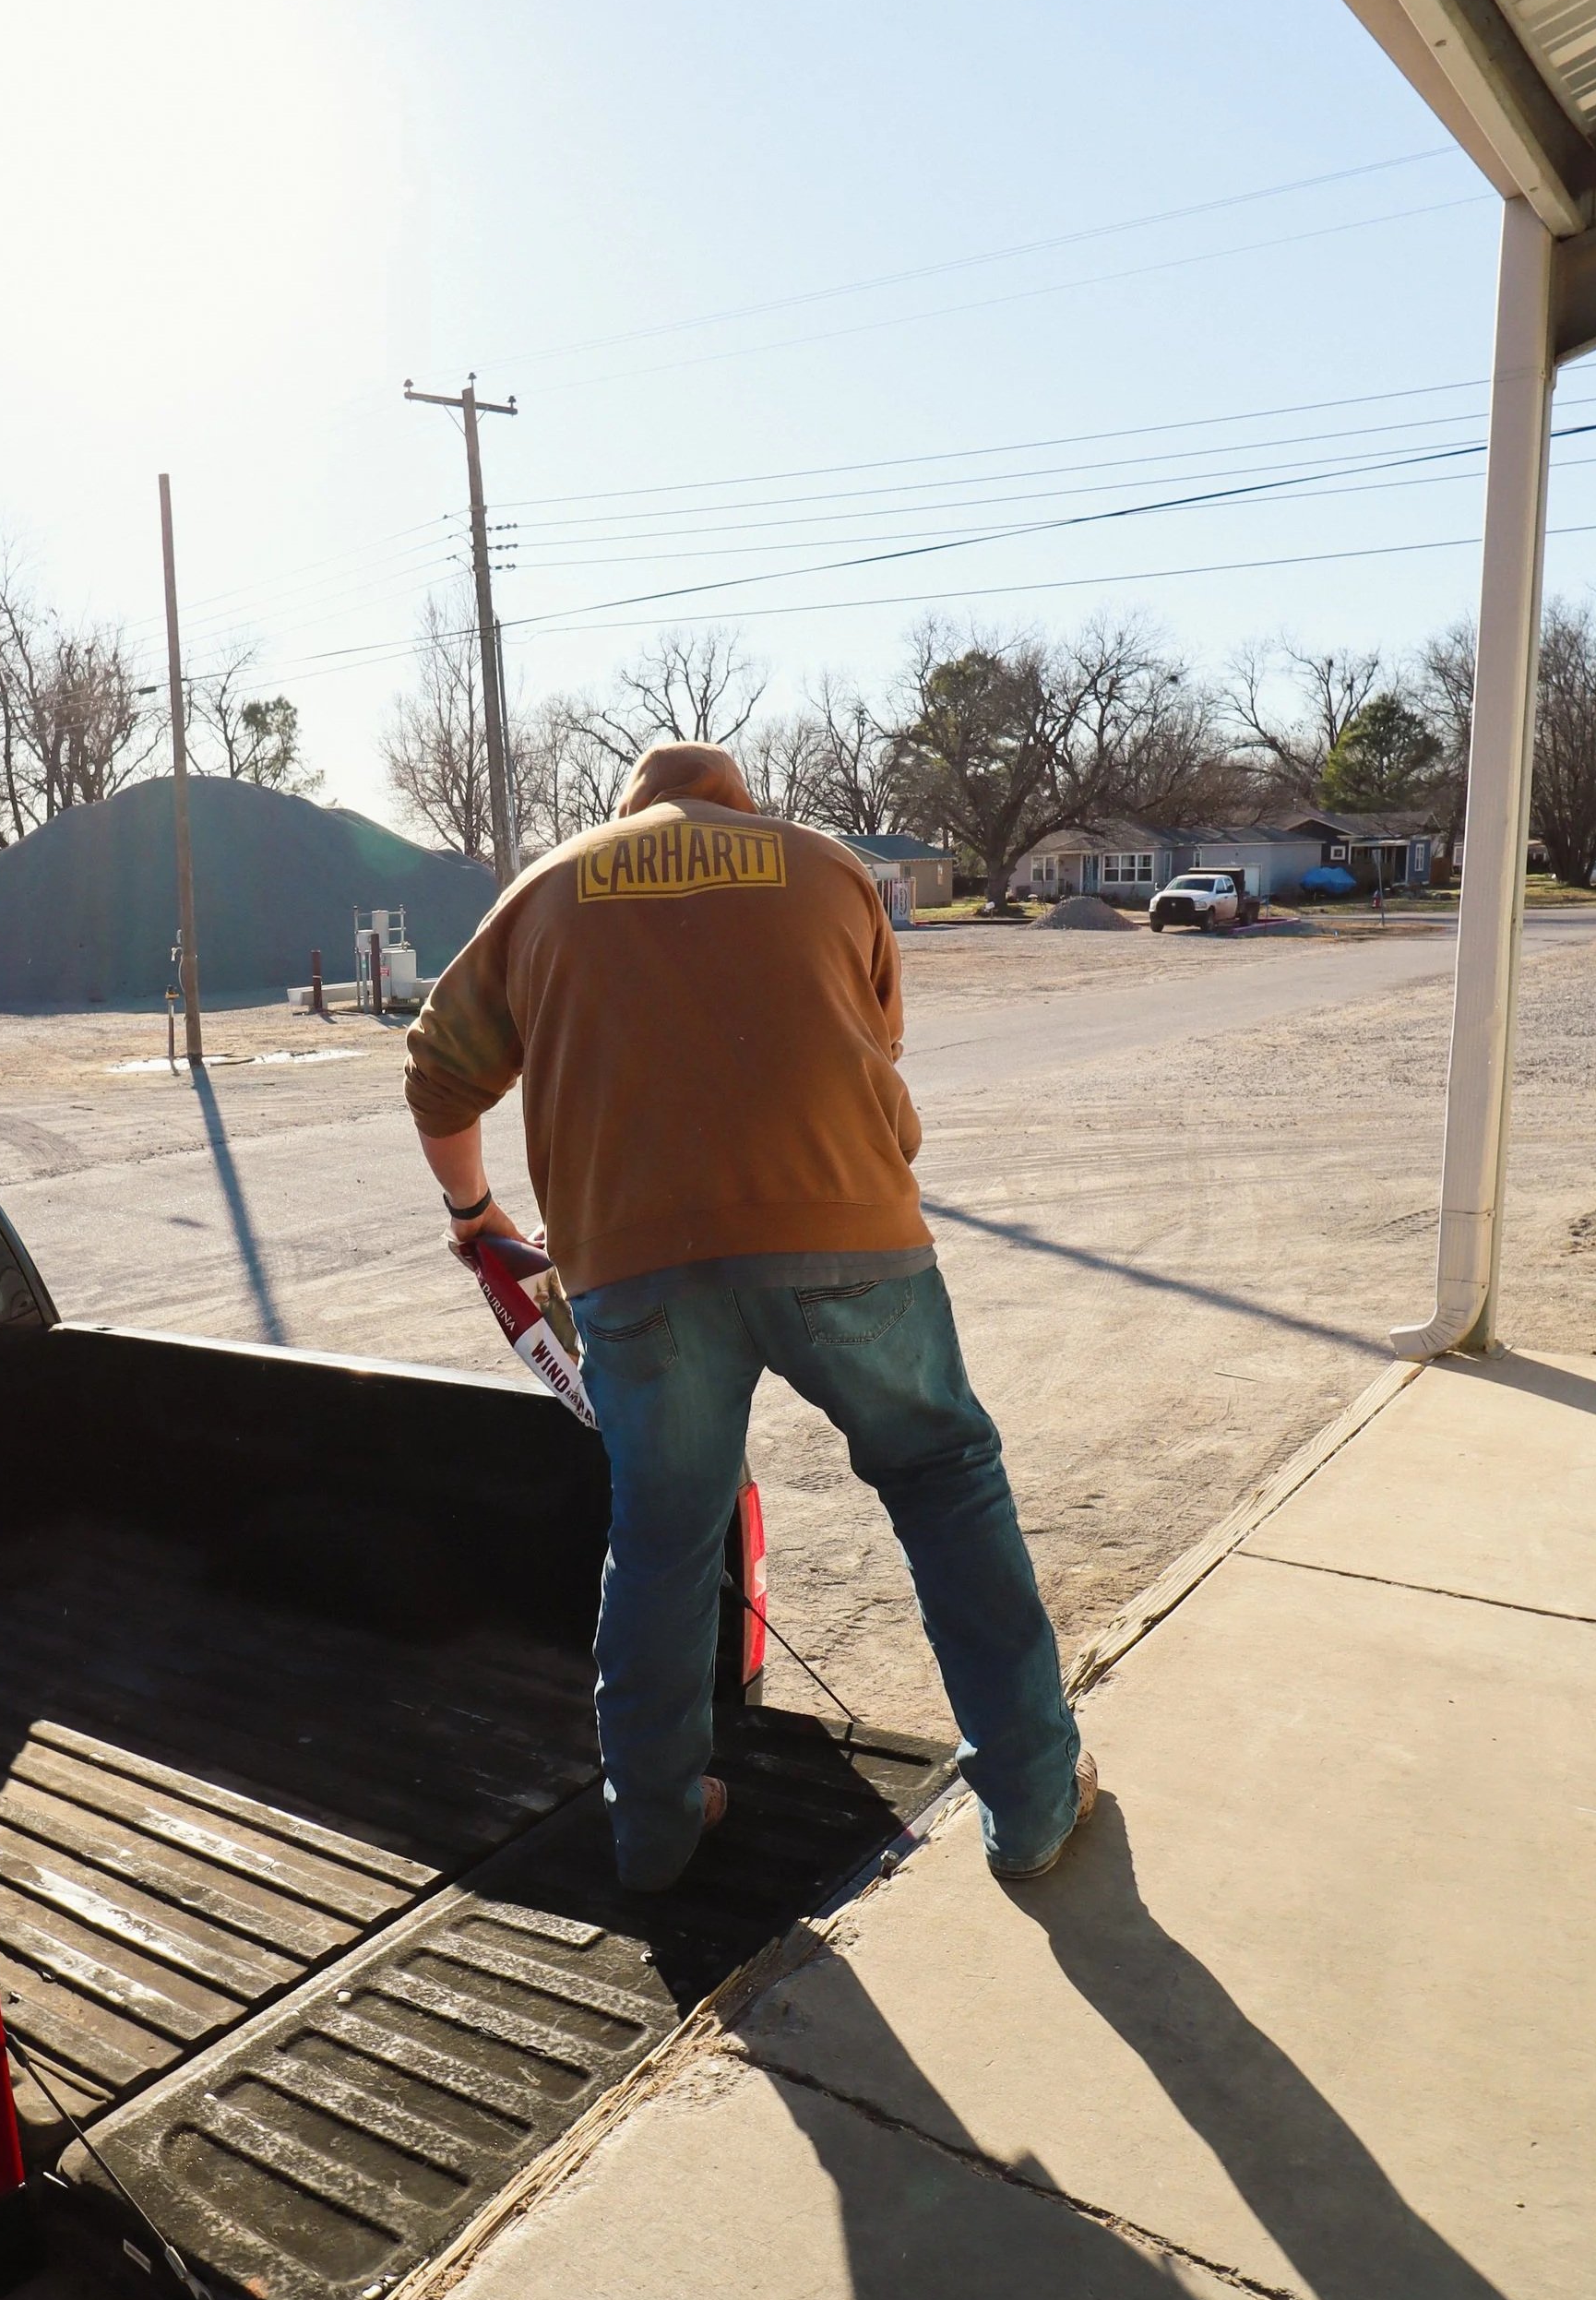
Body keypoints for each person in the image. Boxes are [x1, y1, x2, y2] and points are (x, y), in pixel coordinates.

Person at [404, 739, 1095, 1895]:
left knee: (663, 1537)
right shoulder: (827, 867)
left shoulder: (549, 886)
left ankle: (656, 1833)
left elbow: (436, 1073)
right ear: (738, 802)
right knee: (943, 1479)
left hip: (634, 1267)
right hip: (848, 1236)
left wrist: (475, 1213)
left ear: (629, 808)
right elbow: (871, 1042)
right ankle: (1029, 1806)